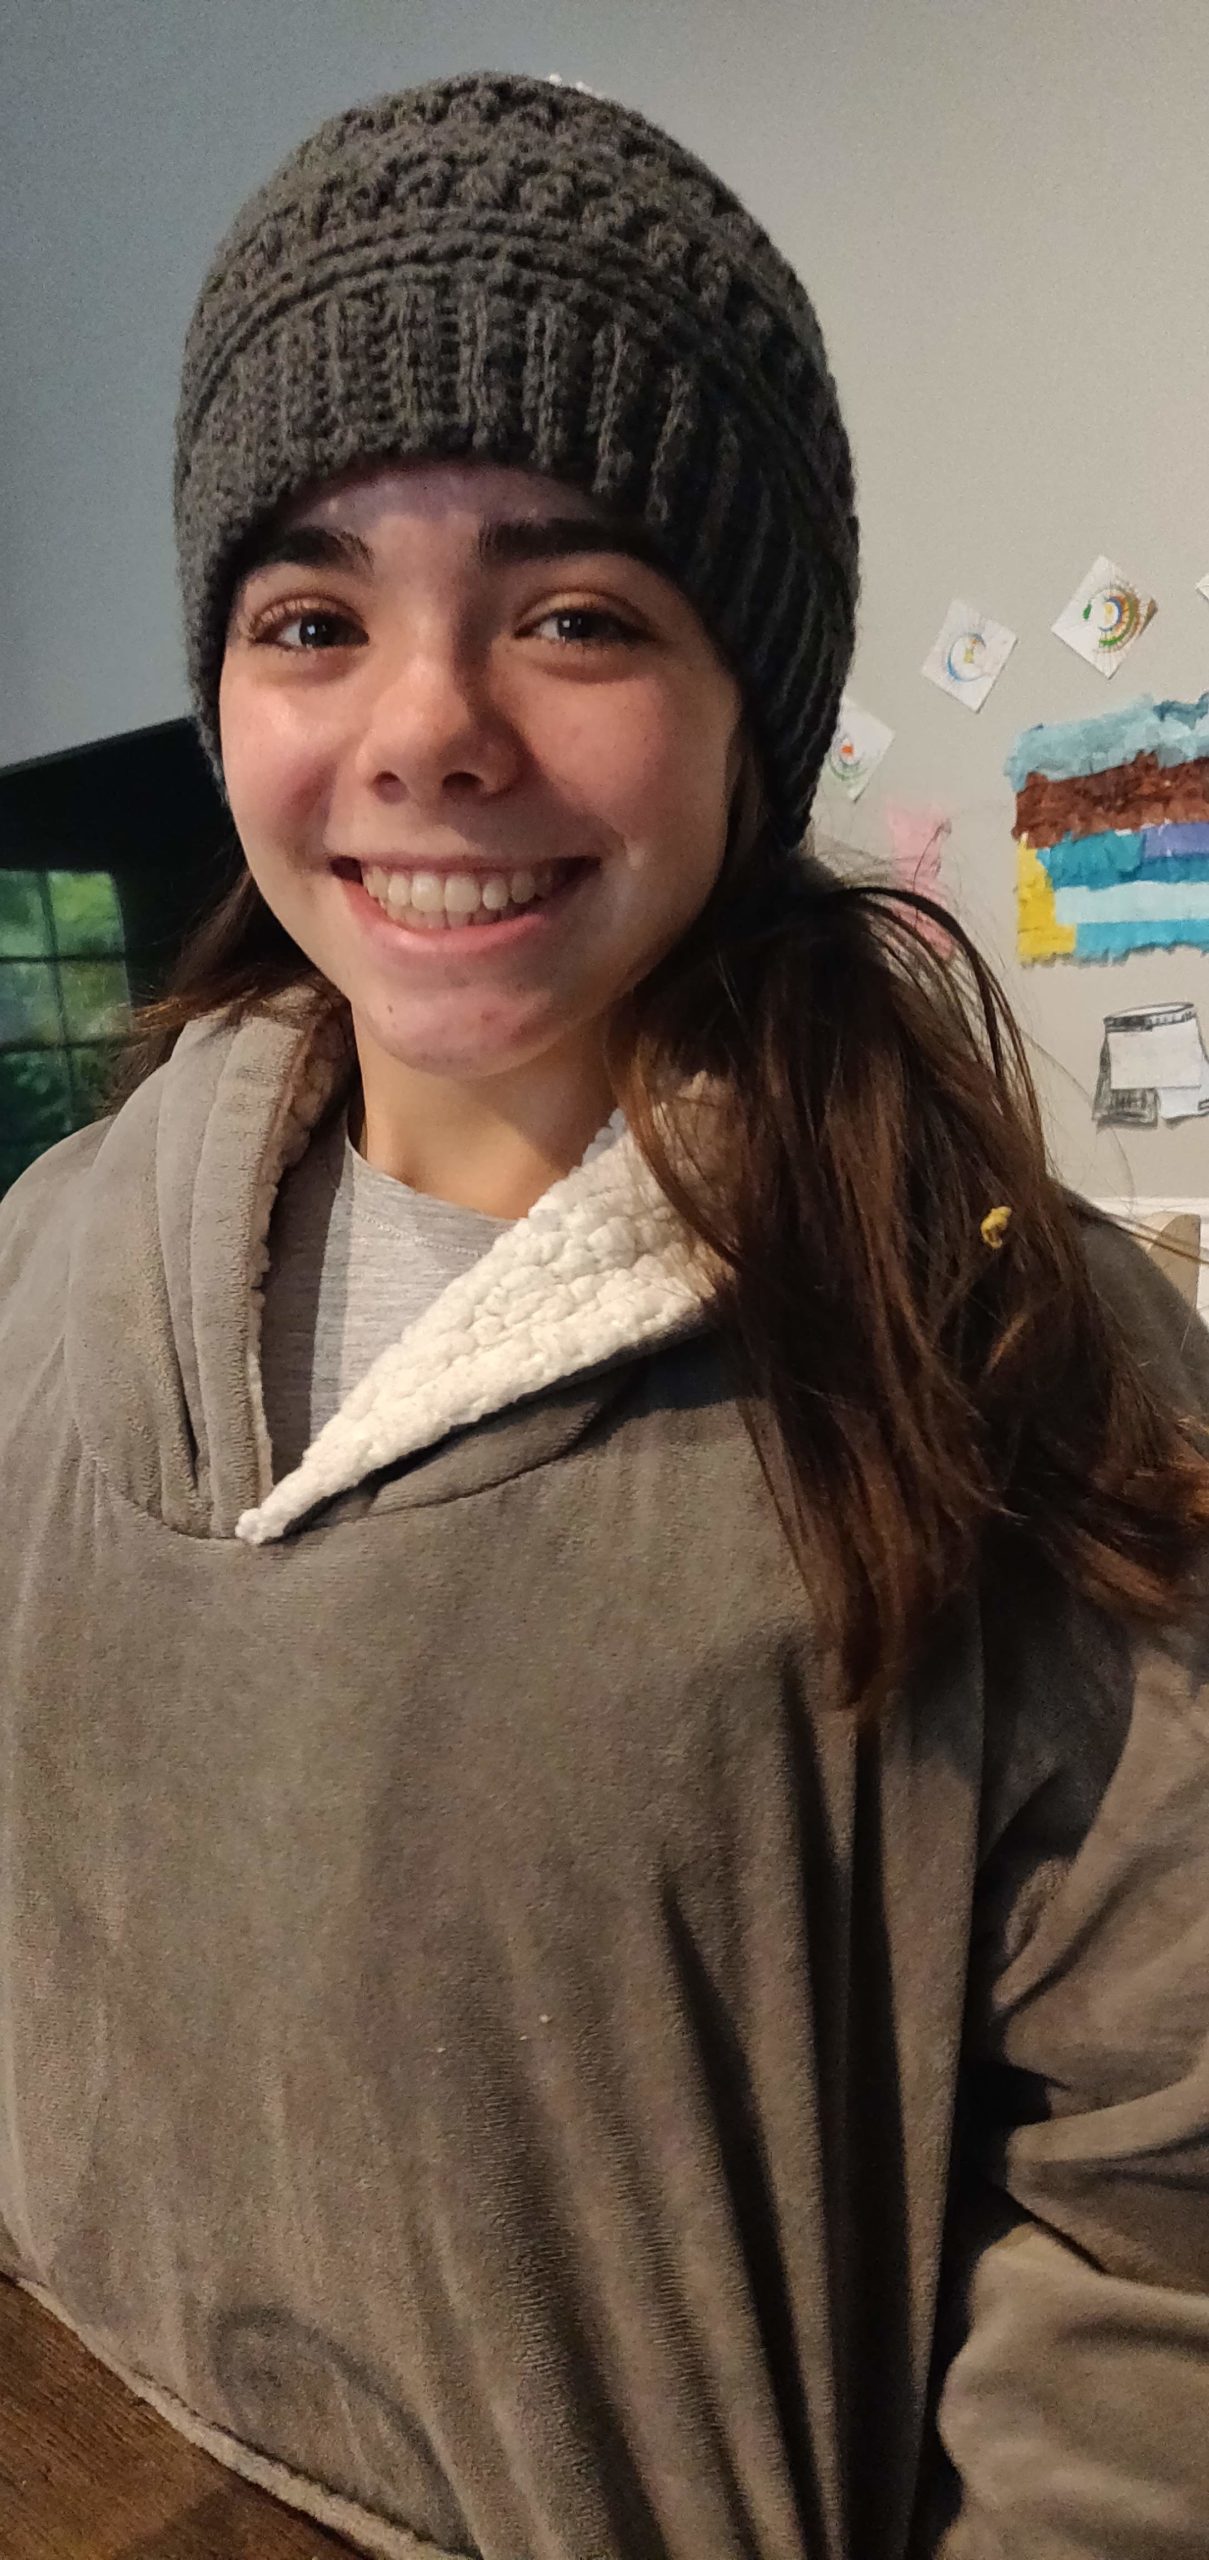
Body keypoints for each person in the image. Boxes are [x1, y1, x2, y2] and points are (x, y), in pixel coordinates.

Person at [1, 68, 1207, 2560]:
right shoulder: (64, 1249)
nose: (425, 727)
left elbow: (1163, 2200)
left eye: (570, 613)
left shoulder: (1006, 1358)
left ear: (749, 702)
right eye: (310, 615)